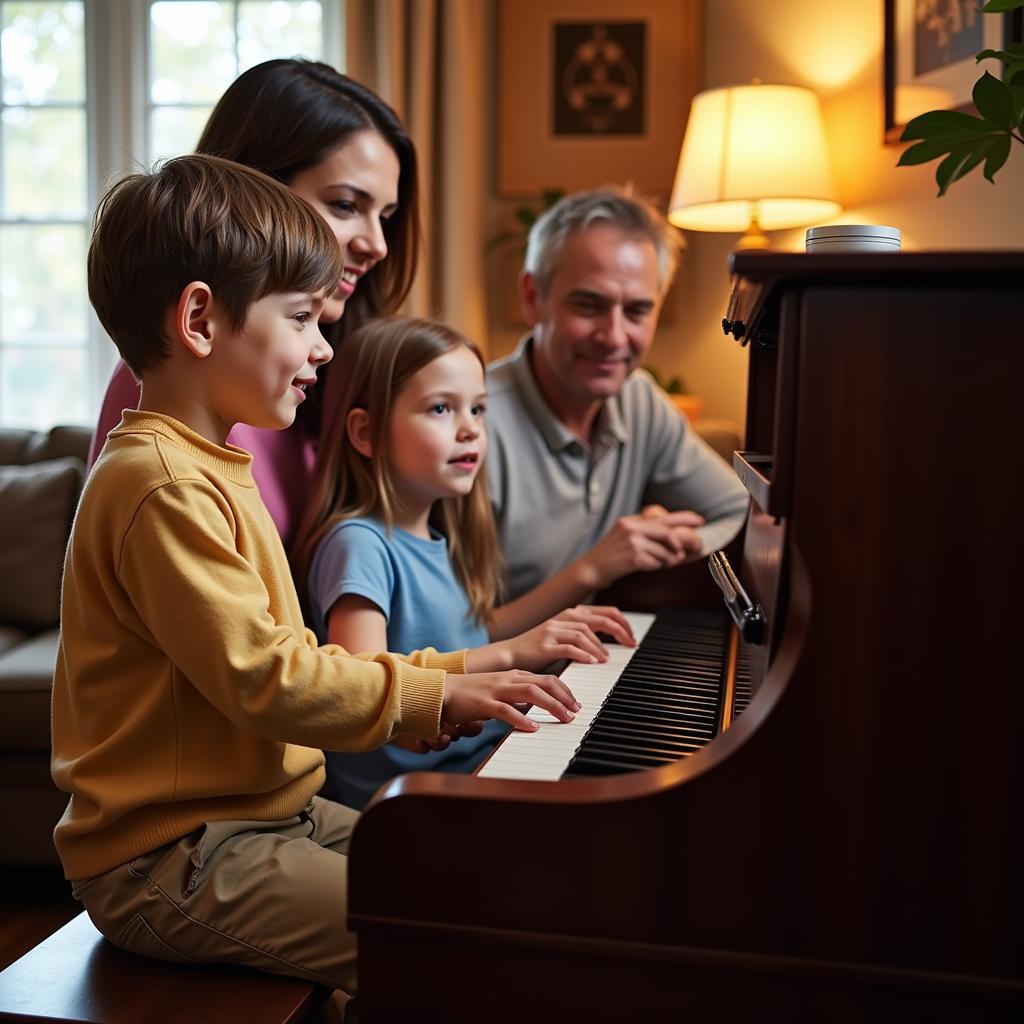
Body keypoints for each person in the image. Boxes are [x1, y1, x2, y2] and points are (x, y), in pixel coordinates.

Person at [53, 155, 580, 999]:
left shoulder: (212, 465)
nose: (323, 345)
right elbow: (266, 679)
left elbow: (288, 652)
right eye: (302, 318)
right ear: (200, 319)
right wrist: (433, 696)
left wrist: (460, 673)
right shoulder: (158, 485)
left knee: (482, 891)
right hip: (171, 858)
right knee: (443, 941)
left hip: (267, 816)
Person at [290, 316, 635, 809]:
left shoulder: (435, 535)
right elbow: (363, 679)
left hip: (477, 762)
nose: (471, 428)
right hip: (412, 798)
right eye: (440, 409)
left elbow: (471, 634)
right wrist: (515, 652)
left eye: (478, 408)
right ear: (365, 433)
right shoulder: (359, 544)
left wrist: (552, 624)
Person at [87, 58, 419, 545]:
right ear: (256, 194)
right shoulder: (168, 397)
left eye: (385, 216)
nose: (378, 245)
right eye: (346, 205)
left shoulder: (318, 375)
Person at [485, 187, 750, 630]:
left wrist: (670, 542)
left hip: (588, 667)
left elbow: (743, 517)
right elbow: (439, 640)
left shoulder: (640, 400)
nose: (613, 336)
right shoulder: (469, 423)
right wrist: (599, 565)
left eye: (637, 311)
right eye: (589, 305)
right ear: (533, 297)